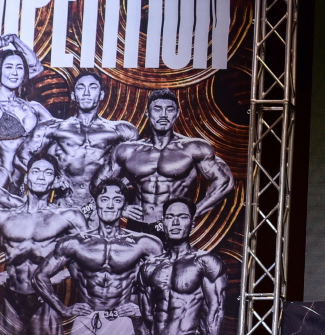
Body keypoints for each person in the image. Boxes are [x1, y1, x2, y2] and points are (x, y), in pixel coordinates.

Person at [30, 180, 165, 335]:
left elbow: (166, 283)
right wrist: (63, 309)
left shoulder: (145, 243)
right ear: (96, 203)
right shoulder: (74, 243)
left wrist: (141, 308)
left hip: (120, 320)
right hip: (85, 319)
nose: (110, 205)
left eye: (117, 200)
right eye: (104, 199)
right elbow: (39, 276)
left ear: (124, 206)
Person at [0, 157, 86, 335]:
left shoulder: (68, 217)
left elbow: (91, 254)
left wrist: (60, 276)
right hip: (12, 299)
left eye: (47, 173)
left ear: (55, 180)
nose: (41, 177)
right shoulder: (3, 216)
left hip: (45, 301)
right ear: (27, 178)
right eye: (36, 171)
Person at [137, 197, 227, 335]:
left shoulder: (206, 262)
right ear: (163, 223)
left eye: (182, 217)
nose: (175, 222)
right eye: (170, 217)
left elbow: (216, 307)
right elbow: (146, 311)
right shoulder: (149, 267)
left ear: (192, 223)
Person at [94, 89, 234, 231]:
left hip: (173, 227)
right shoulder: (127, 150)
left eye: (169, 110)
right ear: (148, 113)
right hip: (137, 225)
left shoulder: (193, 148)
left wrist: (194, 212)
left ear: (177, 113)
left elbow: (225, 182)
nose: (163, 115)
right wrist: (121, 209)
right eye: (157, 109)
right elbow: (97, 184)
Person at [16, 70, 138, 209]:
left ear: (101, 95)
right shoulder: (52, 128)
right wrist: (52, 179)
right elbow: (21, 158)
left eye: (92, 87)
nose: (86, 93)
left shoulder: (122, 130)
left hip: (102, 207)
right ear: (73, 96)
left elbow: (137, 169)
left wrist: (118, 194)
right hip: (63, 205)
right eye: (81, 87)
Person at [0, 41, 54, 187]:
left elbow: (60, 136)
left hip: (34, 181)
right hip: (3, 181)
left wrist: (14, 39)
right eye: (9, 67)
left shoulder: (34, 107)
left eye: (19, 67)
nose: (14, 73)